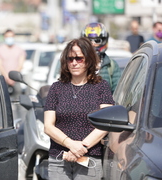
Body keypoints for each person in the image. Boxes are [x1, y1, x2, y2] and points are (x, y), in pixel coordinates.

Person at [44, 37, 115, 180]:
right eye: (70, 59)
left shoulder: (101, 87)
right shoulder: (56, 88)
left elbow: (106, 123)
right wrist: (71, 145)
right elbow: (48, 126)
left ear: (88, 60)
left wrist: (80, 148)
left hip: (89, 159)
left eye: (79, 58)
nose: (74, 63)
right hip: (59, 159)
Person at [81, 22, 121, 94]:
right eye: (89, 40)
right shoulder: (77, 64)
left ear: (104, 41)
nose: (93, 44)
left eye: (97, 40)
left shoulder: (111, 66)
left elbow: (117, 93)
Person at [0, 29, 26, 119]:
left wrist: (13, 77)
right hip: (4, 80)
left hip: (16, 80)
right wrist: (7, 77)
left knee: (19, 104)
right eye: (8, 37)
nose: (10, 39)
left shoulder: (19, 49)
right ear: (4, 37)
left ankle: (20, 126)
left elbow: (20, 65)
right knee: (2, 105)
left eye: (11, 37)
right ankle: (2, 126)